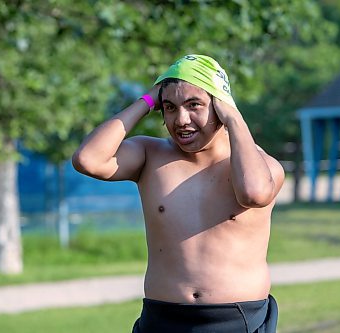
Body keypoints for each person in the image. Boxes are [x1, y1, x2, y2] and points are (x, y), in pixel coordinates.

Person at [72, 55, 285, 333]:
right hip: (162, 318)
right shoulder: (150, 155)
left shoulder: (258, 166)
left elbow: (253, 194)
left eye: (194, 105)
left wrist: (234, 117)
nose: (181, 120)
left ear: (221, 107)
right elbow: (88, 159)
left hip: (235, 320)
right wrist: (147, 100)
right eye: (170, 107)